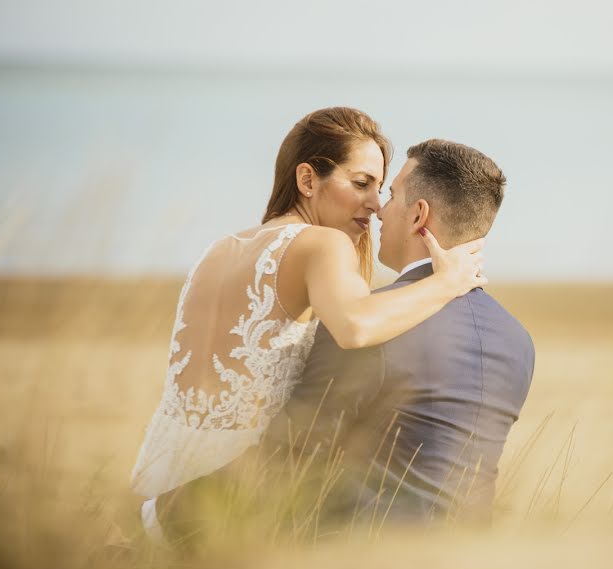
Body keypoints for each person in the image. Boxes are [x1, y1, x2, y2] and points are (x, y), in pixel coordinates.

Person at [129, 109, 486, 542]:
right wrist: (448, 283)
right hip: (228, 482)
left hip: (159, 466)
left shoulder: (220, 248)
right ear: (307, 180)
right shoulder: (322, 244)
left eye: (379, 187)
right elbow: (354, 327)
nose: (375, 206)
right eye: (360, 184)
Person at [268, 139, 535, 528]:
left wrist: (165, 513)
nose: (378, 209)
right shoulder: (517, 340)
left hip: (362, 561)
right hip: (471, 565)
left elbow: (288, 453)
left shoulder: (372, 324)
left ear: (417, 216)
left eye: (391, 195)